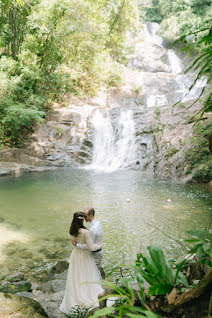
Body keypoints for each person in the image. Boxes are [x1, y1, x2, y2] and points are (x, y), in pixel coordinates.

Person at [60, 211, 104, 315]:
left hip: (75, 255)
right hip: (85, 257)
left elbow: (74, 243)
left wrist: (76, 245)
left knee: (76, 276)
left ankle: (77, 295)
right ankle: (86, 295)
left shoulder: (72, 230)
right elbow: (91, 247)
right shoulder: (85, 232)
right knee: (87, 275)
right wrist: (100, 246)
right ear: (82, 220)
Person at [71, 207, 104, 277]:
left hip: (95, 253)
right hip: (94, 251)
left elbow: (89, 246)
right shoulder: (97, 223)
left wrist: (76, 244)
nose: (83, 217)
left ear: (91, 215)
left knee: (93, 275)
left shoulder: (93, 229)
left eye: (85, 216)